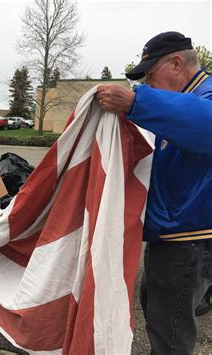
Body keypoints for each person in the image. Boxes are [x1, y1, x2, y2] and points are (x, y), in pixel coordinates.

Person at [96, 31, 212, 354]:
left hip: (187, 239)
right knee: (159, 316)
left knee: (170, 335)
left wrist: (136, 103)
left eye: (150, 75)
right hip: (173, 235)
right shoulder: (178, 106)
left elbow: (206, 126)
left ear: (176, 63)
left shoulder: (205, 96)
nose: (145, 85)